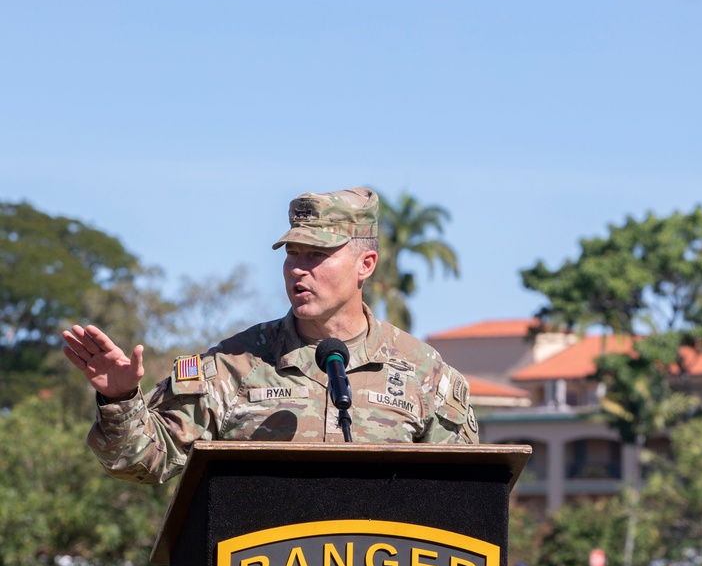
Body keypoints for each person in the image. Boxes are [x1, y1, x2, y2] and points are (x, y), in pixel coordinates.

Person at [63, 188, 478, 485]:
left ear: (365, 264)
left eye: (316, 255)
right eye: (292, 253)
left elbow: (465, 493)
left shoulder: (425, 374)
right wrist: (119, 400)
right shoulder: (232, 365)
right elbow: (144, 464)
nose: (298, 268)